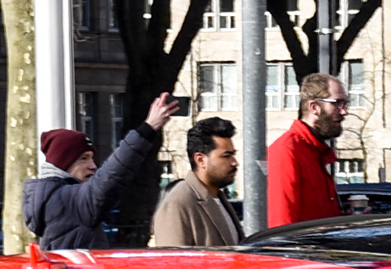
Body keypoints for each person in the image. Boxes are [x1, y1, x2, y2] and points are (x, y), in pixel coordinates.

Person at [22, 94, 174, 248]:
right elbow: (111, 176)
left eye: (92, 158)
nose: (93, 166)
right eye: (84, 158)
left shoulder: (52, 197)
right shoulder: (66, 200)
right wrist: (148, 128)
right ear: (63, 163)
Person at [268, 75, 348, 226]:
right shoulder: (287, 151)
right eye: (337, 103)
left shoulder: (315, 151)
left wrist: (345, 219)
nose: (344, 112)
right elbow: (281, 225)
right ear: (314, 107)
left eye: (344, 104)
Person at [150, 117, 242, 248]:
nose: (234, 163)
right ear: (200, 160)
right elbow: (173, 263)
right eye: (226, 156)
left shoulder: (218, 197)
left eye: (233, 155)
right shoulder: (178, 203)